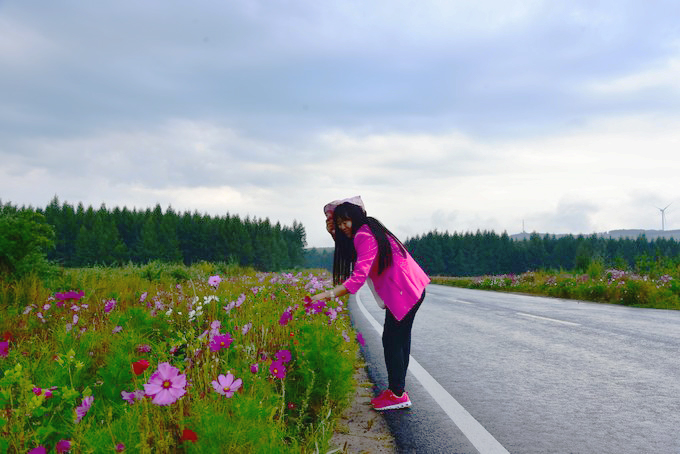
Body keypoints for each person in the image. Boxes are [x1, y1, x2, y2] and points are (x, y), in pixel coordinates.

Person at [311, 196, 430, 411]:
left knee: (392, 341)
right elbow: (351, 254)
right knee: (400, 340)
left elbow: (356, 279)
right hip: (412, 287)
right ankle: (398, 391)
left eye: (345, 221)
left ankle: (397, 394)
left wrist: (326, 295)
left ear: (355, 217)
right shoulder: (370, 229)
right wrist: (334, 234)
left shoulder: (363, 235)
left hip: (403, 291)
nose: (343, 227)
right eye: (339, 223)